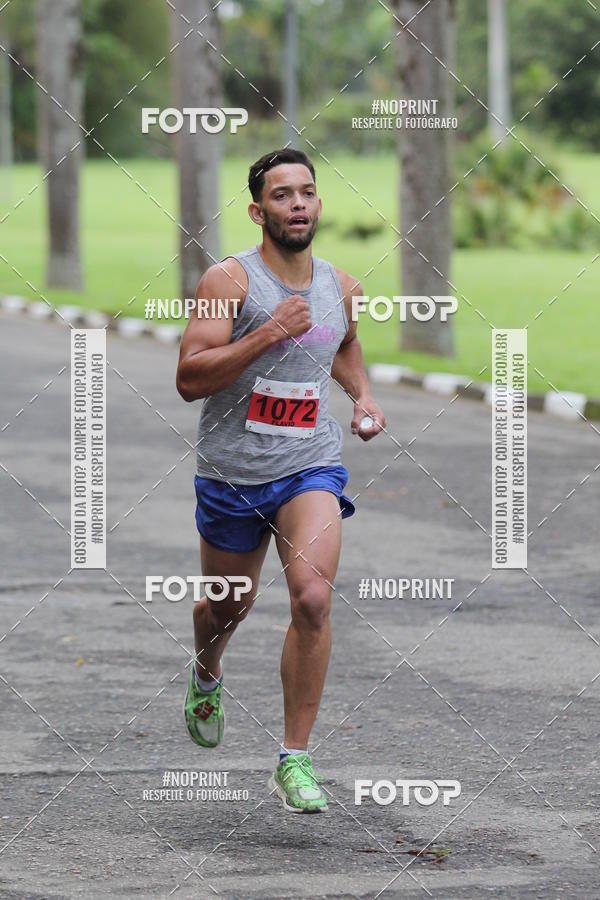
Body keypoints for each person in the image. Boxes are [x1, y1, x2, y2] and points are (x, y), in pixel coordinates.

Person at [176, 148, 386, 813]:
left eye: (307, 192)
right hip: (234, 473)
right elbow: (190, 379)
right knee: (226, 607)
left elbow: (342, 342)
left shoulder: (342, 285)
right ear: (258, 210)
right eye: (282, 194)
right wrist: (266, 334)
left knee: (313, 599)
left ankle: (294, 759)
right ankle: (207, 668)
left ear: (319, 205)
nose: (297, 203)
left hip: (308, 465)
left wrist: (363, 397)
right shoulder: (229, 281)